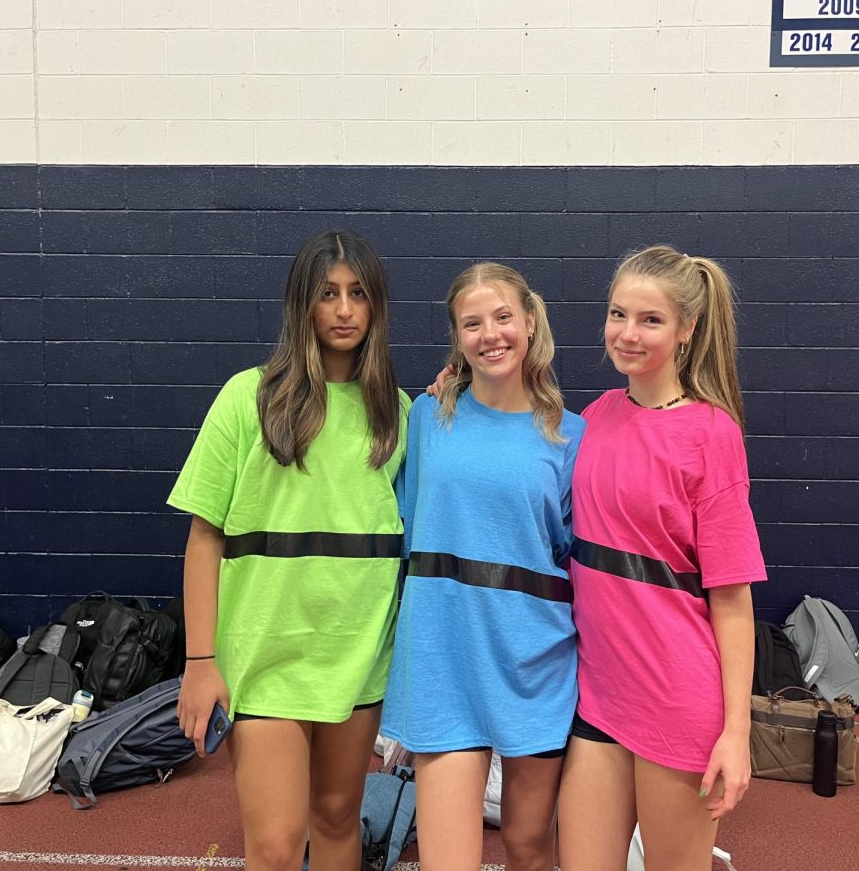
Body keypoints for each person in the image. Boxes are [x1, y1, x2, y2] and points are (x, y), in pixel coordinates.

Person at [168, 230, 409, 871]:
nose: (344, 310)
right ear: (301, 304)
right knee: (274, 846)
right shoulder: (247, 399)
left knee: (336, 821)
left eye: (359, 294)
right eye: (327, 294)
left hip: (357, 659)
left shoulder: (398, 414)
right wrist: (200, 662)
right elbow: (203, 539)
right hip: (267, 659)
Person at [557, 245, 766, 871]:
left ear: (687, 330)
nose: (627, 333)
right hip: (597, 697)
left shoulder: (711, 434)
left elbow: (731, 600)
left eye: (650, 320)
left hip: (677, 702)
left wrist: (735, 733)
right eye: (618, 315)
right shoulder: (594, 418)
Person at [381, 262, 585, 871]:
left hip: (536, 660)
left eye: (503, 317)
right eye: (473, 324)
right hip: (443, 657)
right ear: (457, 338)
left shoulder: (571, 437)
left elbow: (577, 561)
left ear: (529, 321)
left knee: (528, 845)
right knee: (449, 859)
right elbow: (403, 532)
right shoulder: (426, 418)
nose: (490, 334)